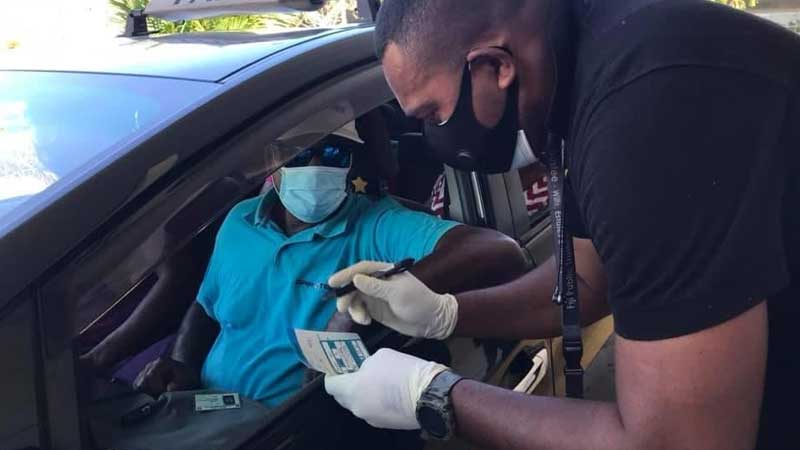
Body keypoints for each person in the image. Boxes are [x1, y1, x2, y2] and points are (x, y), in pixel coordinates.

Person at [323, 1, 800, 449]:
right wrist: (445, 313)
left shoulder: (645, 107)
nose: (433, 136)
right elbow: (589, 281)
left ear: (495, 67)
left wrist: (432, 396)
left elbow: (679, 440)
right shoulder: (581, 62)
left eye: (432, 113)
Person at [124, 116, 528, 407]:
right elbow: (206, 307)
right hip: (203, 408)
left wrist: (375, 296)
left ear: (351, 165)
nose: (314, 167)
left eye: (332, 154)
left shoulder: (375, 224)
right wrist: (181, 364)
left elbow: (498, 249)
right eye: (298, 155)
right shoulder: (241, 220)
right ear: (273, 159)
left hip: (281, 427)